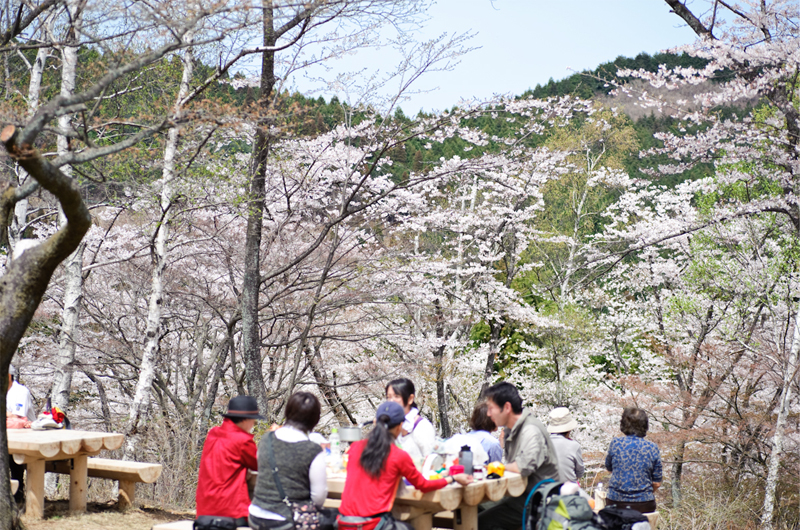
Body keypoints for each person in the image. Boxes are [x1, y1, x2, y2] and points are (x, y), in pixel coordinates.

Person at [338, 401, 473, 530]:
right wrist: (453, 478)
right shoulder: (398, 455)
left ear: (375, 422)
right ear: (399, 426)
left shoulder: (355, 448)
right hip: (374, 524)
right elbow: (423, 486)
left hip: (343, 522)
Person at [478, 381, 561, 530]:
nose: (488, 413)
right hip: (518, 494)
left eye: (491, 408)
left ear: (507, 407)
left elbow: (524, 467)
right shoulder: (512, 429)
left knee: (480, 522)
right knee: (474, 506)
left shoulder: (530, 430)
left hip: (537, 500)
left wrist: (495, 467)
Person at [249, 392, 335, 530]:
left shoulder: (267, 439)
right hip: (285, 521)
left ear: (287, 412)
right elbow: (318, 498)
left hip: (256, 516)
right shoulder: (312, 450)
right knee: (333, 519)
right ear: (315, 419)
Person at [196, 395, 262, 527]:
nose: (253, 424)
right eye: (253, 420)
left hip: (204, 510)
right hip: (230, 511)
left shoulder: (213, 434)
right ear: (245, 420)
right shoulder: (243, 440)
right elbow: (260, 465)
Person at [604, 407, 662, 514]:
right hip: (644, 504)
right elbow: (657, 483)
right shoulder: (652, 447)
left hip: (616, 501)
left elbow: (609, 468)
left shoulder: (616, 443)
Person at [385, 378, 435, 462]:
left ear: (410, 399)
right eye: (388, 397)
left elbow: (431, 460)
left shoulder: (422, 427)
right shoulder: (388, 425)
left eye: (396, 396)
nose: (391, 401)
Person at [7, 364, 35, 508]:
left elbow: (18, 421)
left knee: (12, 457)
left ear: (9, 376)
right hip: (9, 437)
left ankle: (17, 494)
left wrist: (9, 416)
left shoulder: (20, 392)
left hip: (27, 440)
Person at [547, 407, 584, 483]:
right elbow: (580, 473)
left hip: (546, 489)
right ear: (569, 429)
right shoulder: (574, 446)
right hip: (569, 491)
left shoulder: (542, 443)